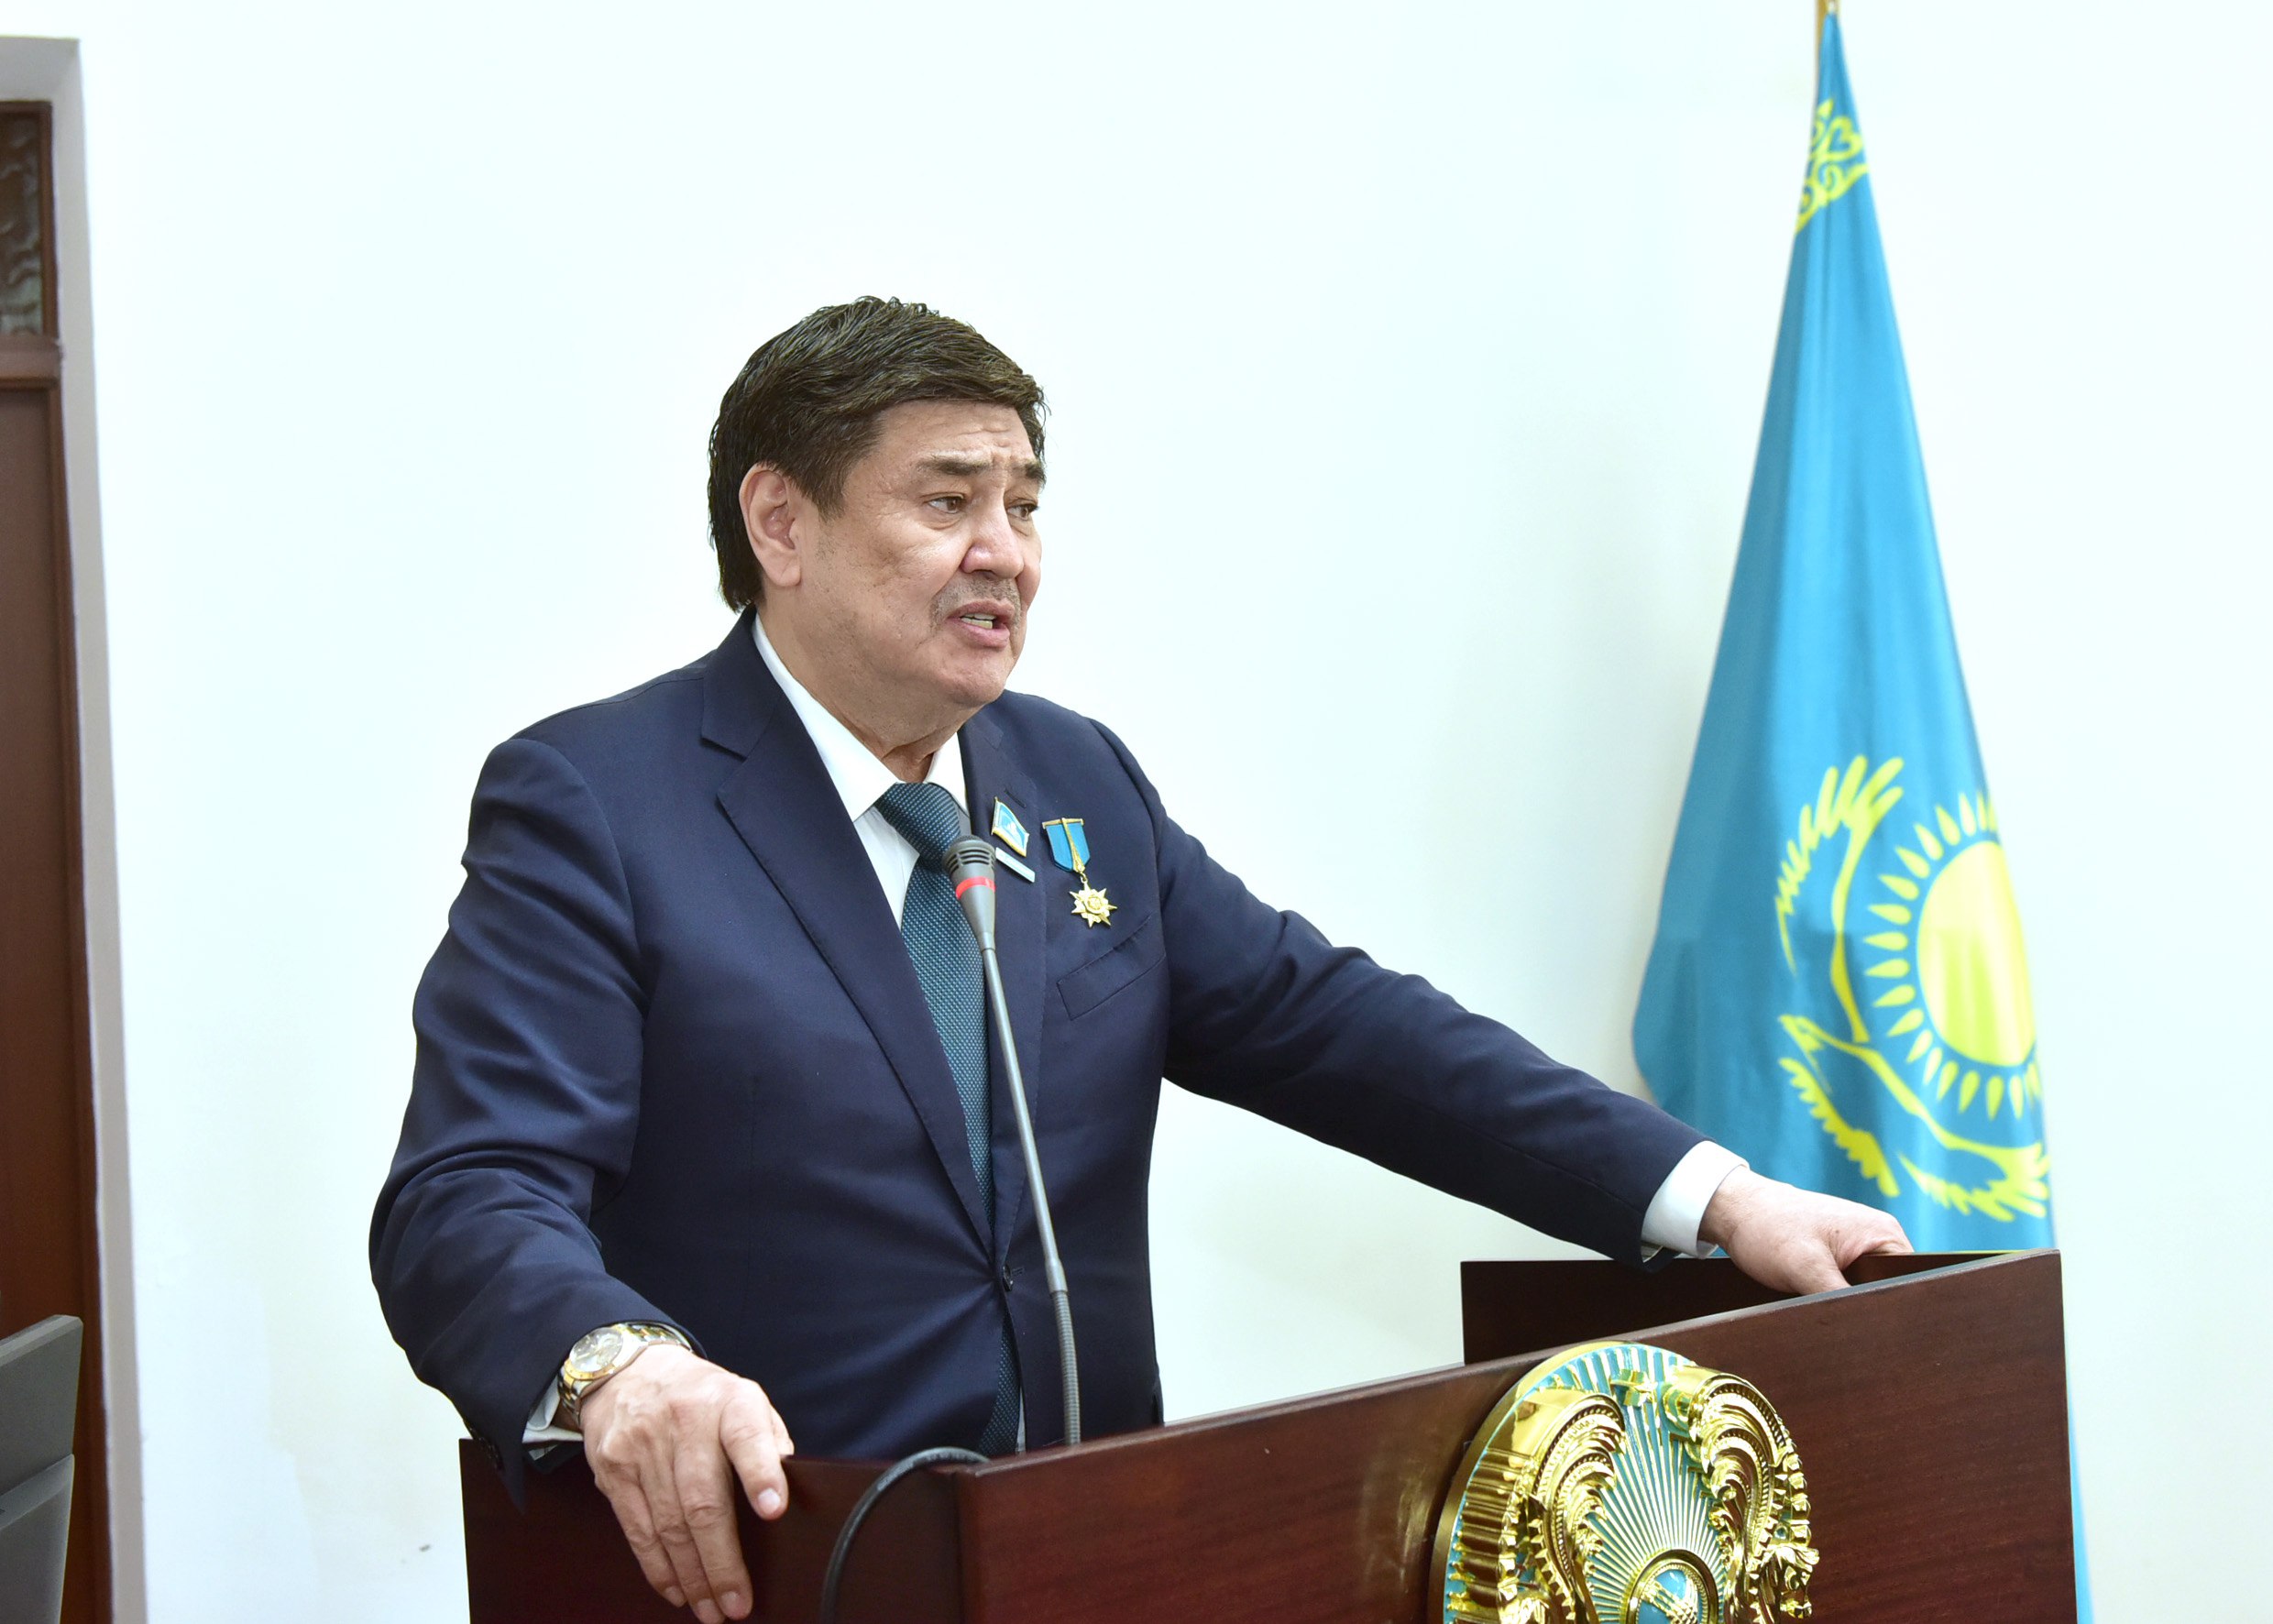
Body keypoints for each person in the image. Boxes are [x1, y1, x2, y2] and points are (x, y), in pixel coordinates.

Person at [371, 298, 1909, 1624]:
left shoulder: (1073, 783)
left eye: (1025, 506)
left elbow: (1343, 1030)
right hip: (789, 1570)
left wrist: (1714, 1196)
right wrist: (620, 1369)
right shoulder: (604, 804)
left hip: (1094, 1561)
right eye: (948, 501)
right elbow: (469, 1194)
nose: (1005, 555)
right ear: (782, 524)